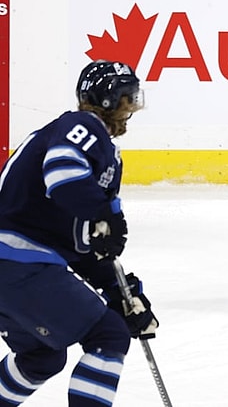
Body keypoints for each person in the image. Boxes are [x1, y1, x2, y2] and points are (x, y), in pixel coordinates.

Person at [0, 60, 158, 406]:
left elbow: (83, 245)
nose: (132, 107)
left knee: (41, 357)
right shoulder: (83, 126)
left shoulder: (99, 155)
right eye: (128, 98)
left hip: (13, 266)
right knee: (108, 335)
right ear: (108, 100)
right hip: (18, 263)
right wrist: (102, 214)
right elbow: (61, 172)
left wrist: (118, 291)